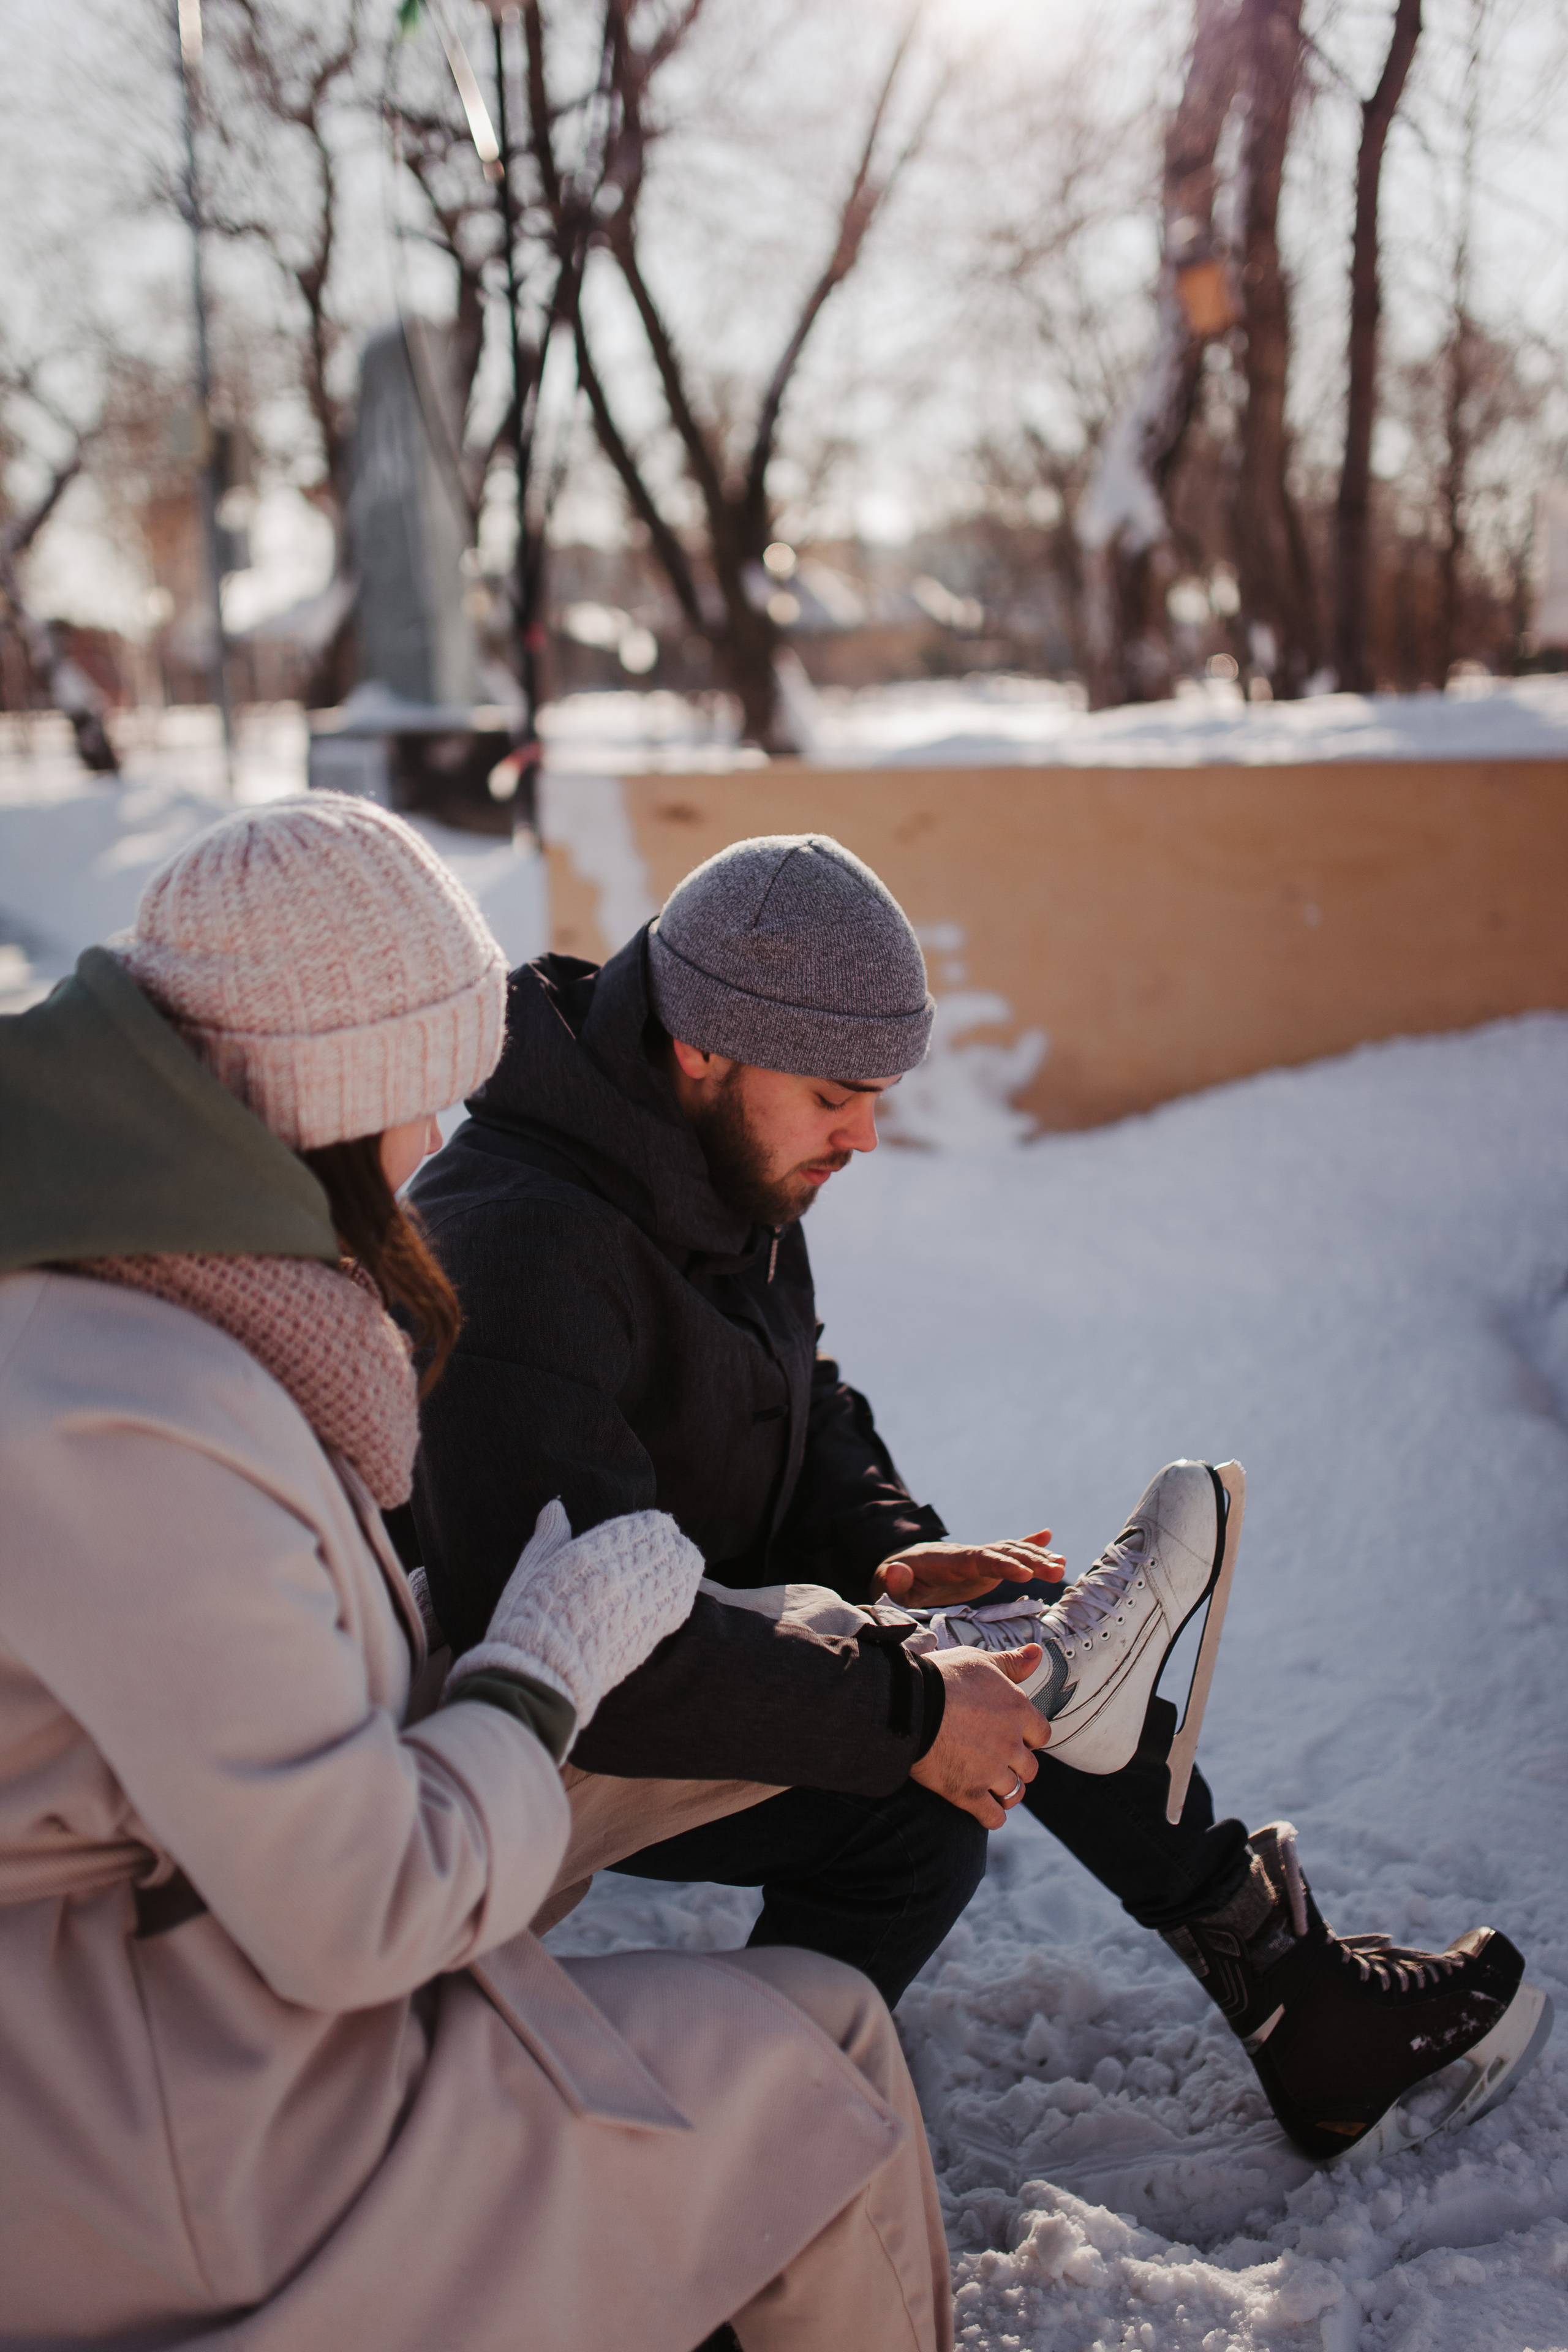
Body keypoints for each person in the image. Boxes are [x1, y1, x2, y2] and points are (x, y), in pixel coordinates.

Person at [407, 831, 1548, 2162]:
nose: (867, 1134)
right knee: (923, 1785)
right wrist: (902, 1703)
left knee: (1005, 1639)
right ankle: (705, 2164)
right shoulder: (514, 1240)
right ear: (700, 1046)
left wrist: (898, 1552)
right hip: (498, 1727)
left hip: (673, 1622)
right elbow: (567, 1640)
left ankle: (1286, 1997)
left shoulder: (713, 1156)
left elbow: (798, 1395)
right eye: (839, 1092)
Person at [0, 798, 953, 2352]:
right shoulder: (132, 1409)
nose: (439, 1140)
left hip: (176, 2006)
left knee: (801, 2020)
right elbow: (363, 1908)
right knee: (819, 2060)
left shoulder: (136, 1313)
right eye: (419, 1094)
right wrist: (532, 1671)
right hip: (163, 2123)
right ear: (330, 1092)